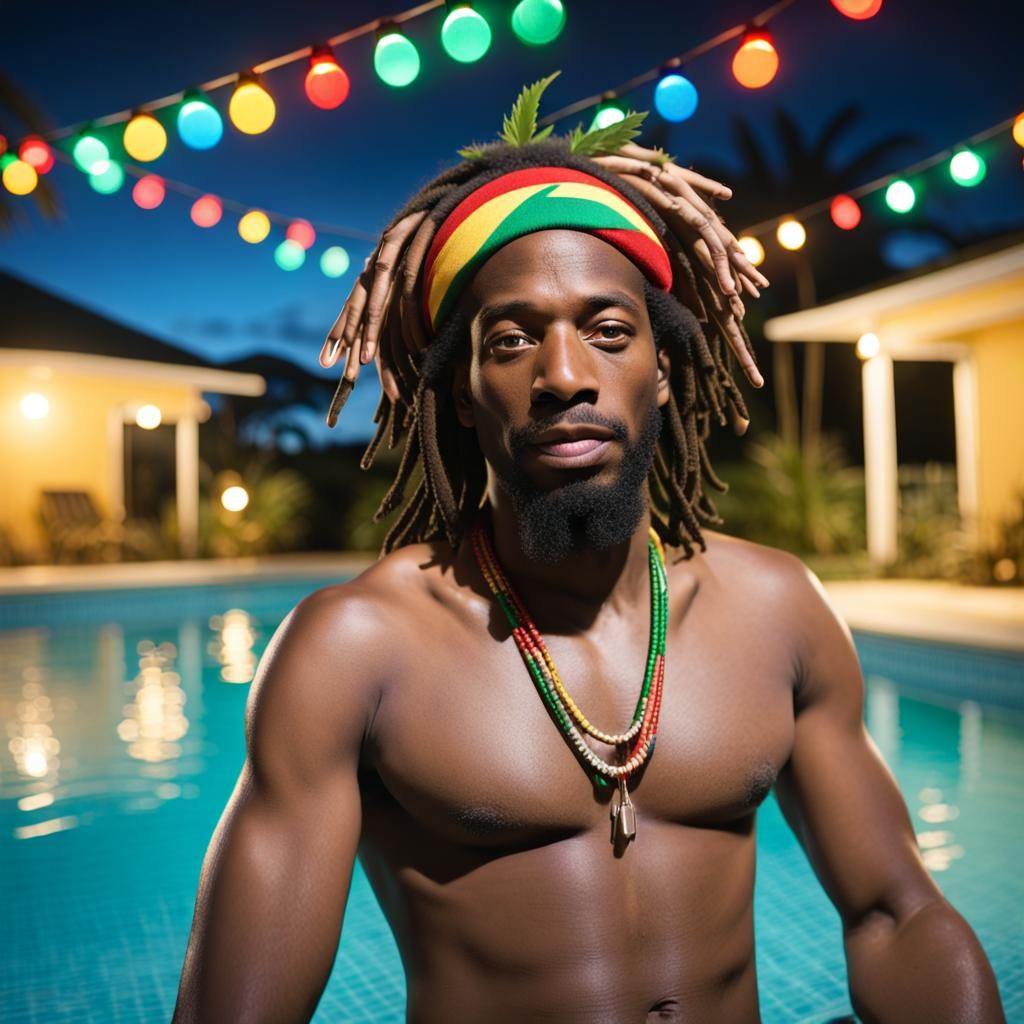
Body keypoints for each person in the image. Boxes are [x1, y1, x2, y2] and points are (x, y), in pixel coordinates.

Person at [172, 78, 1006, 1023]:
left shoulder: (775, 609)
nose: (564, 375)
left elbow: (897, 914)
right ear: (460, 392)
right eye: (510, 341)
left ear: (665, 368)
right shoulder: (354, 649)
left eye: (609, 332)